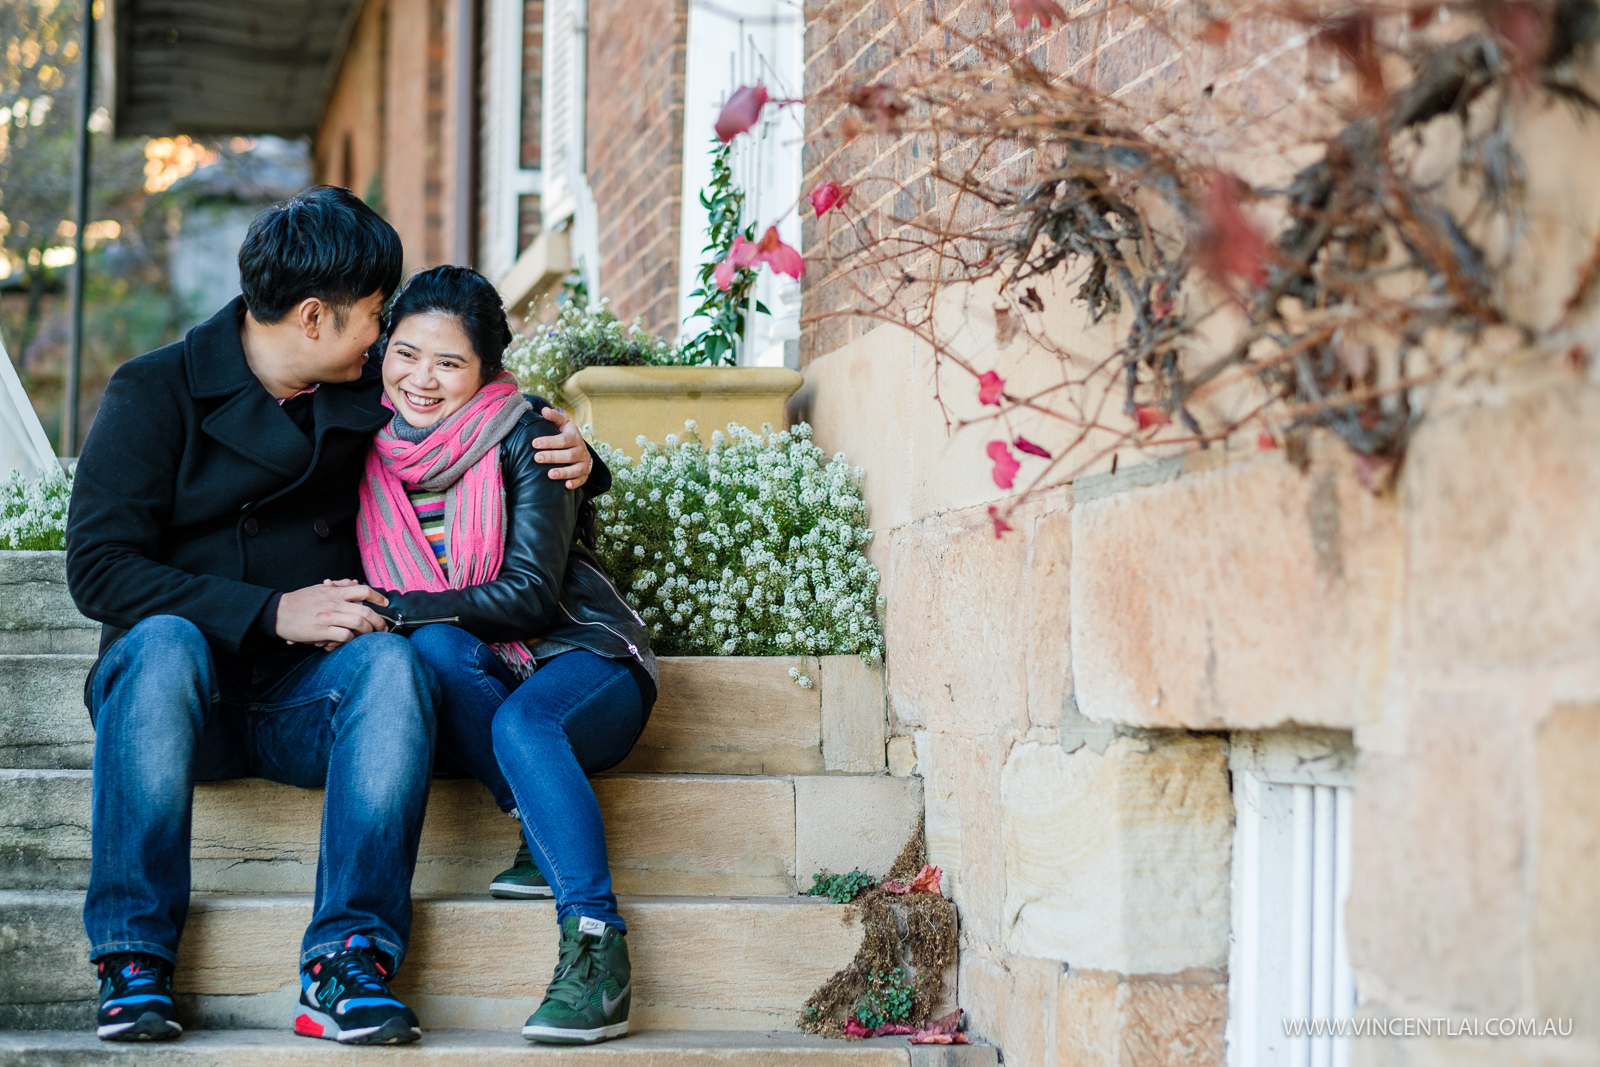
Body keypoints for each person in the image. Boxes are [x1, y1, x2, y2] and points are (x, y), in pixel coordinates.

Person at [64, 186, 601, 1046]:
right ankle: (133, 957)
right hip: (177, 706)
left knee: (391, 662)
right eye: (375, 318)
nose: (385, 340)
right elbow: (97, 570)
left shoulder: (360, 396)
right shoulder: (153, 391)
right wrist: (272, 610)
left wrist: (578, 453)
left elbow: (479, 415)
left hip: (301, 702)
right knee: (160, 642)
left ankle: (347, 958)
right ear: (313, 318)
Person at [355, 265, 656, 1046]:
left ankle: (599, 951)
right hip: (484, 666)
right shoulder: (362, 441)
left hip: (586, 655)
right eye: (407, 353)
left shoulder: (531, 430)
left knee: (526, 725)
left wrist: (394, 606)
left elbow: (526, 595)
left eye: (449, 363)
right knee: (434, 652)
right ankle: (538, 817)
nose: (422, 378)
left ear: (486, 371)